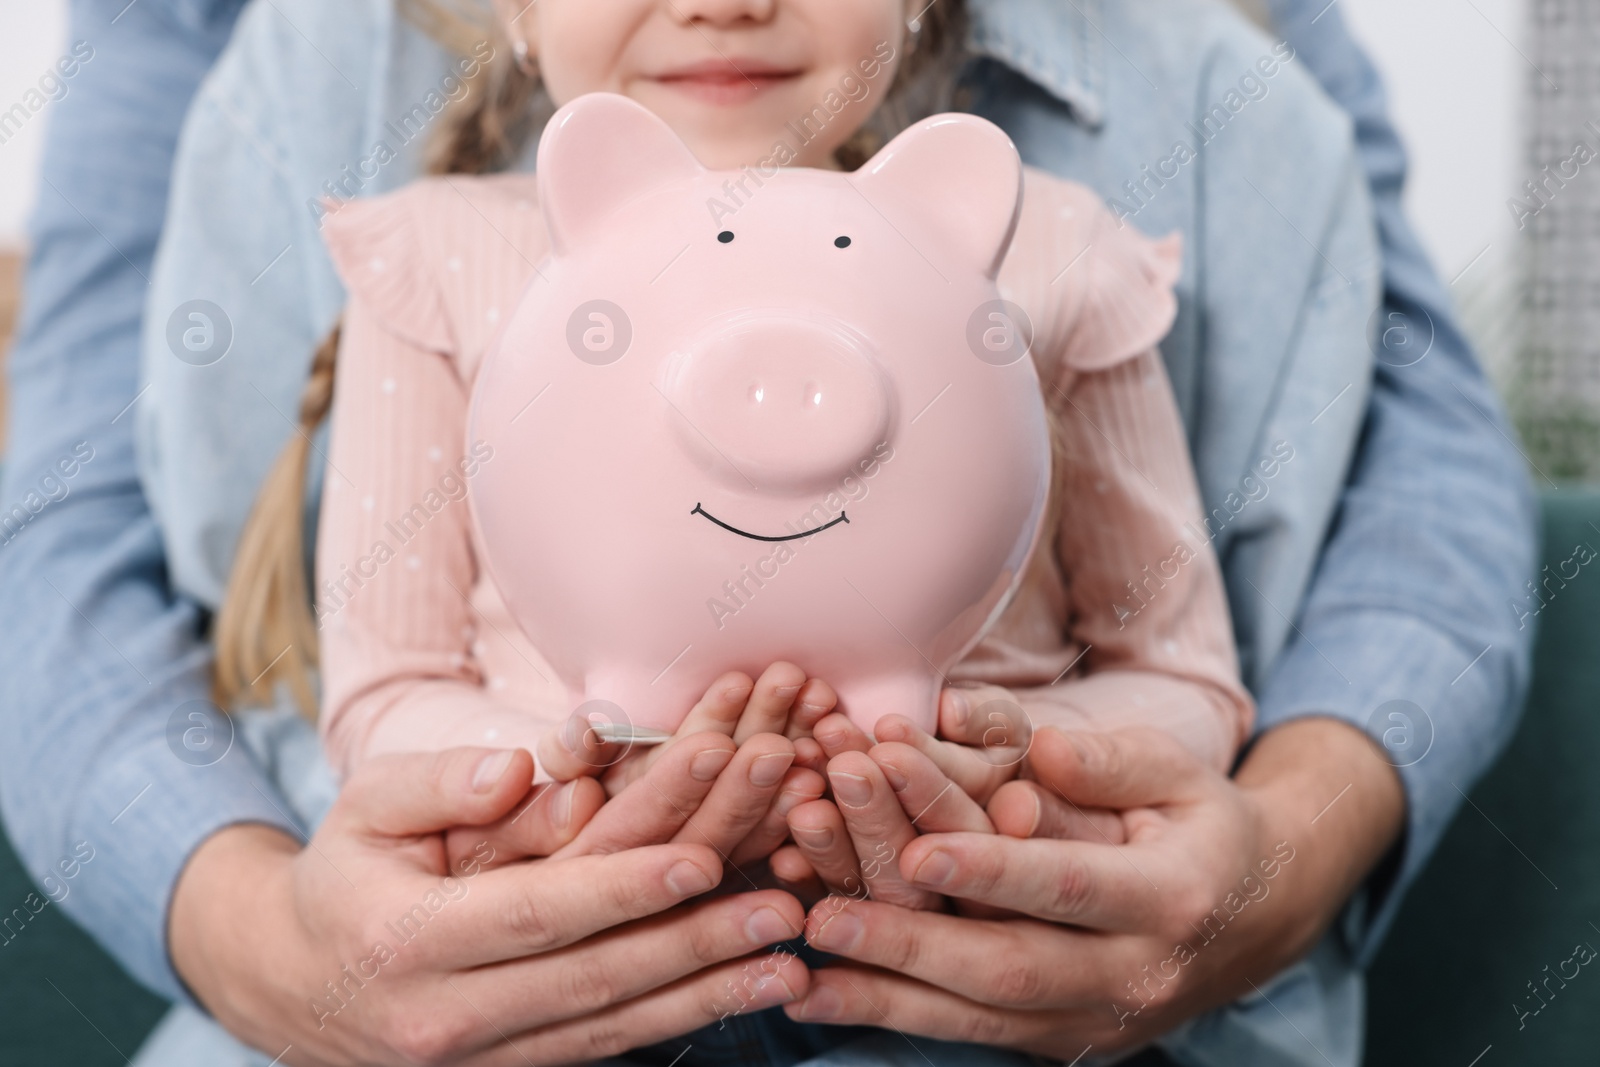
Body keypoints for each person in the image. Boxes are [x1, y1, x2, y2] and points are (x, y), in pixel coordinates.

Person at [0, 0, 1533, 1064]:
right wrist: (462, 826)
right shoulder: (433, 253)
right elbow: (347, 672)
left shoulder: (1072, 244)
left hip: (1003, 1018)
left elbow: (1203, 649)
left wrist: (1077, 782)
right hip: (467, 1023)